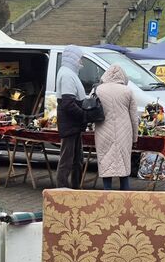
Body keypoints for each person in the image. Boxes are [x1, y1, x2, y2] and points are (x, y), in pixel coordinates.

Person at [93, 62, 139, 191]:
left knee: (105, 161)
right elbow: (134, 118)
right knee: (123, 162)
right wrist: (135, 138)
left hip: (103, 130)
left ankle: (107, 194)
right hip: (124, 132)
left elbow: (92, 109)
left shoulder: (98, 89)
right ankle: (125, 195)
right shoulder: (127, 91)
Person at [54, 46, 87, 189]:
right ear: (73, 58)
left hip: (73, 124)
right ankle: (62, 189)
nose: (81, 62)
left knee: (76, 159)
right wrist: (84, 115)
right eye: (80, 58)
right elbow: (68, 103)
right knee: (67, 160)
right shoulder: (67, 75)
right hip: (70, 124)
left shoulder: (69, 73)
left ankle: (75, 188)